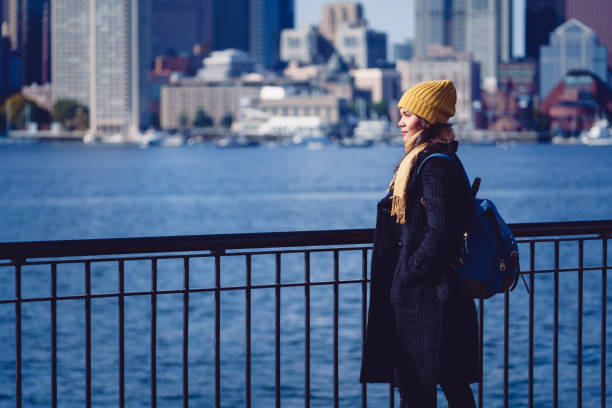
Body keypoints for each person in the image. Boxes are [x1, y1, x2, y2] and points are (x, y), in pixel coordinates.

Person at [360, 79, 480, 408]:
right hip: (433, 295)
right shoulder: (431, 159)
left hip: (426, 299)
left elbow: (441, 230)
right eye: (401, 113)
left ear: (426, 121)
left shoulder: (434, 165)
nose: (400, 122)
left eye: (407, 114)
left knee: (416, 388)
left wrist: (409, 273)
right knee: (449, 382)